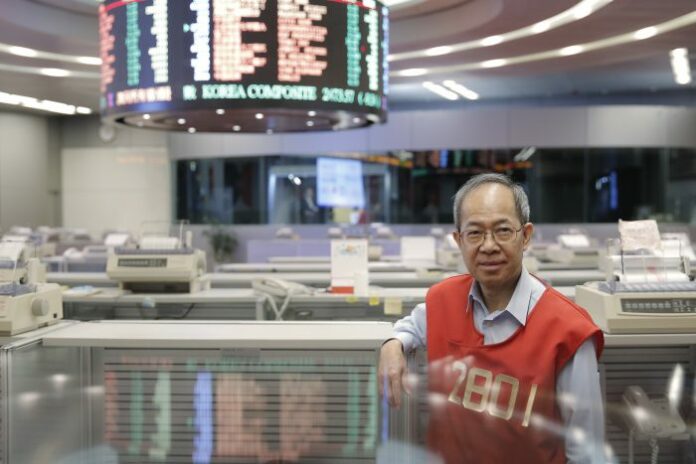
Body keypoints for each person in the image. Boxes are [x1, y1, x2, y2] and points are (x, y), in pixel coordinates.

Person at [379, 173, 605, 463]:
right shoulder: (443, 300)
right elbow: (410, 327)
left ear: (525, 236)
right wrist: (392, 343)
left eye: (502, 231)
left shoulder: (568, 331)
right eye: (474, 233)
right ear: (458, 240)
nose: (488, 246)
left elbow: (586, 452)